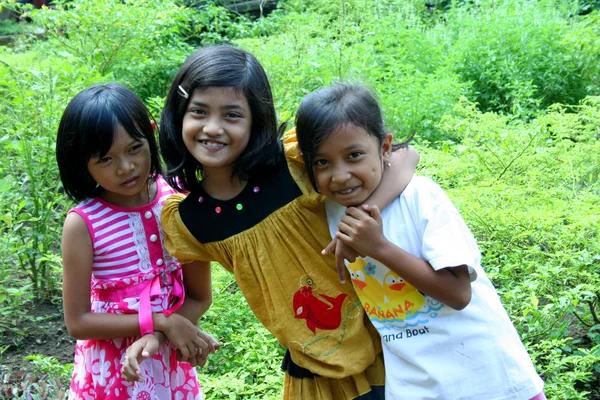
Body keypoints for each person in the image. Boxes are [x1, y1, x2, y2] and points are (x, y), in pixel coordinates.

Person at [155, 45, 419, 400]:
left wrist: (359, 221)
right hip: (311, 370)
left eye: (232, 115)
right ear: (179, 116)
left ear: (256, 120)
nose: (212, 128)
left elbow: (404, 154)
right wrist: (158, 330)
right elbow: (198, 298)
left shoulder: (294, 163)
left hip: (388, 348)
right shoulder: (189, 219)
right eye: (199, 112)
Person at [295, 83, 546, 400]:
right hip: (415, 387)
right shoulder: (332, 209)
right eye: (322, 162)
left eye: (354, 155)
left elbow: (458, 293)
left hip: (490, 381)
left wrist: (378, 247)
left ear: (385, 147)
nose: (340, 175)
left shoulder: (421, 197)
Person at [56, 83, 218, 400]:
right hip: (111, 373)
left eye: (134, 149)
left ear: (151, 134)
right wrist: (161, 322)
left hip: (169, 364)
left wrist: (160, 333)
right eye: (105, 159)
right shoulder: (83, 224)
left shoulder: (178, 203)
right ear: (82, 162)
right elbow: (78, 322)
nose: (126, 167)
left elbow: (200, 296)